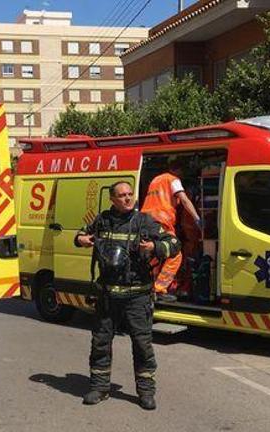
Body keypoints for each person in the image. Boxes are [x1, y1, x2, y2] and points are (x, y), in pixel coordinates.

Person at [74, 181, 180, 410]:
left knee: (142, 345)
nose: (127, 198)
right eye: (122, 195)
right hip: (107, 296)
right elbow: (81, 234)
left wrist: (155, 247)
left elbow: (174, 244)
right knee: (100, 343)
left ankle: (146, 392)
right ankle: (99, 388)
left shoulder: (144, 221)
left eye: (130, 194)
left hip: (137, 297)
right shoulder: (102, 220)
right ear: (112, 199)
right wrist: (81, 239)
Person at [140, 159, 201, 303]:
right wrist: (197, 218)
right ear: (178, 170)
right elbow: (184, 200)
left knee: (154, 255)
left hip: (145, 221)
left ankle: (149, 287)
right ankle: (159, 288)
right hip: (161, 222)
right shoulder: (173, 180)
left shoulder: (156, 180)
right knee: (175, 254)